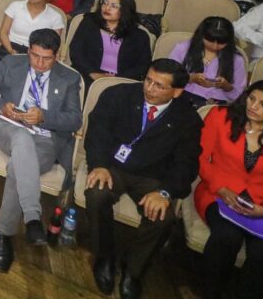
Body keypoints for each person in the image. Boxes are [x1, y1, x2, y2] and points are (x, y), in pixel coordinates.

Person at [84, 59, 202, 299]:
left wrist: (165, 192)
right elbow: (97, 132)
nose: (149, 88)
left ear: (177, 92)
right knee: (96, 194)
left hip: (154, 177)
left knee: (163, 218)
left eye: (159, 85)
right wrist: (99, 165)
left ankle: (133, 270)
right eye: (148, 80)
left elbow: (186, 163)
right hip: (113, 166)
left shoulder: (187, 119)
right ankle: (104, 256)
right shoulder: (118, 95)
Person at [0, 29, 82, 272]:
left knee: (17, 167)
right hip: (9, 128)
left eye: (46, 58)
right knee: (22, 137)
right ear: (29, 50)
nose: (39, 63)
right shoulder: (12, 63)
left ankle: (4, 234)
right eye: (34, 56)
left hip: (45, 139)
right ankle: (33, 217)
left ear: (57, 56)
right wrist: (1, 106)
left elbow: (75, 120)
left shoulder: (69, 78)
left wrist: (44, 117)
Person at [194, 80, 263, 299]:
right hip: (221, 195)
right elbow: (200, 158)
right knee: (226, 237)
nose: (253, 106)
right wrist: (221, 188)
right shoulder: (220, 116)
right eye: (251, 98)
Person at [69, 0, 152, 87]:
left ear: (125, 10)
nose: (107, 8)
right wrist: (93, 73)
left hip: (122, 82)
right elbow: (76, 52)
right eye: (105, 3)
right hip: (88, 76)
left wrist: (117, 79)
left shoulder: (139, 36)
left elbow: (143, 66)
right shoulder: (89, 23)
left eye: (114, 6)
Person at [168, 17, 247, 107]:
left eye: (221, 43)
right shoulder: (183, 49)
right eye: (210, 41)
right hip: (183, 95)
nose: (215, 46)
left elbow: (238, 94)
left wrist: (226, 86)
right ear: (201, 36)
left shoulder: (236, 60)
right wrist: (190, 78)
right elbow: (169, 78)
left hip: (216, 103)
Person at [0, 0, 66, 59]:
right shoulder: (15, 6)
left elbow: (53, 45)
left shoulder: (55, 17)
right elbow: (3, 33)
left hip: (38, 54)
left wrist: (36, 56)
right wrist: (11, 50)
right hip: (10, 48)